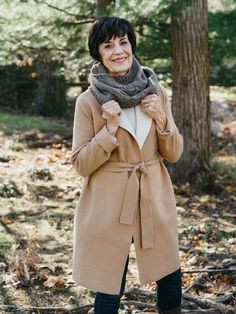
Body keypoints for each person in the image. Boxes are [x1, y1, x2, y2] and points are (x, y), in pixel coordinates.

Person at [71, 16, 184, 314]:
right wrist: (107, 131)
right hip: (110, 205)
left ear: (132, 46)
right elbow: (81, 164)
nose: (118, 50)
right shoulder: (88, 101)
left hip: (153, 197)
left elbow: (174, 154)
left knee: (171, 278)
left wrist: (161, 120)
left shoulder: (156, 92)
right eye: (108, 45)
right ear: (98, 53)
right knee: (110, 287)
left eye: (123, 42)